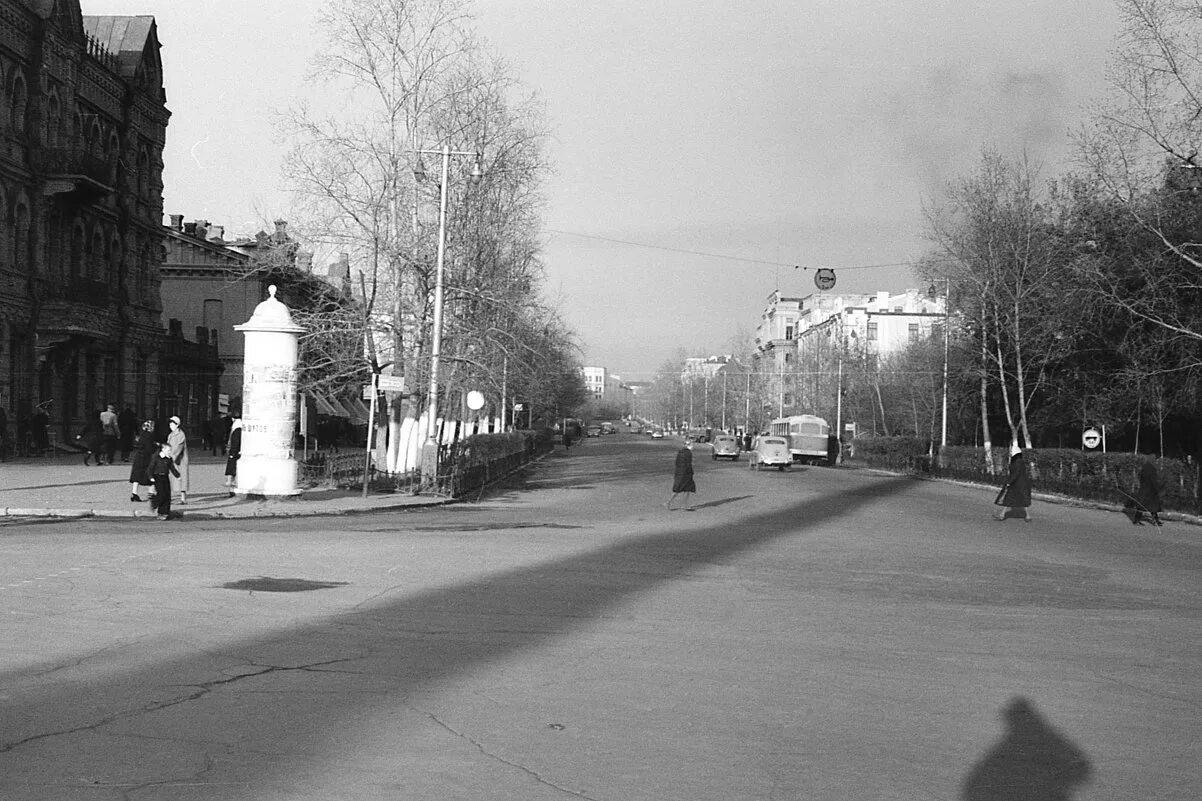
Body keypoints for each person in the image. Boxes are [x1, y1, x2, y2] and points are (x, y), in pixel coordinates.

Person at [994, 443, 1032, 522]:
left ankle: (1002, 515)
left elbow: (1016, 473)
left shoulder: (1018, 462)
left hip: (1018, 483)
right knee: (1015, 499)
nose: (1010, 452)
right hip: (1019, 483)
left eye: (1011, 451)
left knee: (1012, 499)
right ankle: (1002, 515)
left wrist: (1009, 482)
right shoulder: (1018, 461)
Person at [147, 442, 181, 520]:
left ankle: (164, 513)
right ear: (163, 449)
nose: (170, 452)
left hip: (165, 477)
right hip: (157, 477)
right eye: (168, 450)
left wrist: (177, 475)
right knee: (161, 494)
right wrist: (151, 477)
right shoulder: (156, 457)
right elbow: (150, 468)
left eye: (170, 450)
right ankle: (154, 502)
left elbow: (172, 468)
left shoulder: (169, 459)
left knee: (167, 495)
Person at [128, 419, 157, 502]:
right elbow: (150, 449)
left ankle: (134, 493)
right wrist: (156, 446)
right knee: (151, 475)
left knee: (136, 476)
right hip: (146, 458)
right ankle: (151, 494)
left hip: (138, 457)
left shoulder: (141, 435)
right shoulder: (150, 436)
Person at [666, 441, 697, 511]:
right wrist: (691, 473)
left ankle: (683, 505)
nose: (693, 446)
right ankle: (671, 503)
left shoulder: (680, 452)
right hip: (686, 474)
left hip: (679, 473)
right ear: (688, 445)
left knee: (682, 489)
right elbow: (688, 464)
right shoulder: (688, 453)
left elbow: (676, 463)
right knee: (685, 489)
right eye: (692, 445)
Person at [1132, 458, 1164, 526]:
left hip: (1145, 490)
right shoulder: (1151, 469)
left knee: (1149, 505)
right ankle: (1137, 521)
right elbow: (1153, 480)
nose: (1157, 462)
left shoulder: (1145, 467)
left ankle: (1155, 520)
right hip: (1149, 490)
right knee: (1148, 506)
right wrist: (1157, 488)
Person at [167, 415, 190, 504]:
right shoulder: (170, 435)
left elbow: (179, 448)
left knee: (182, 478)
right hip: (172, 459)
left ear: (177, 425)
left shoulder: (181, 435)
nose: (170, 425)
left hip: (180, 460)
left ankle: (183, 498)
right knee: (171, 479)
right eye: (170, 424)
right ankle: (169, 496)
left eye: (172, 424)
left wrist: (171, 457)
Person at [224, 416, 242, 496]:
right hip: (235, 452)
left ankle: (231, 488)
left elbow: (235, 442)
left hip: (234, 453)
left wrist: (232, 453)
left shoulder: (236, 430)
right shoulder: (238, 428)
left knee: (232, 470)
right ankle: (231, 487)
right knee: (232, 470)